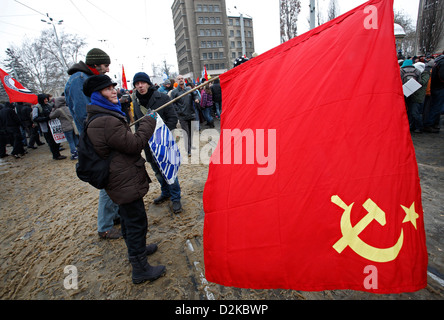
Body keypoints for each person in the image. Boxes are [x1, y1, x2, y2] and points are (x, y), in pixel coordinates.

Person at [83, 74, 166, 284]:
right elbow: (134, 144)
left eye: (113, 87)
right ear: (97, 94)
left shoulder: (102, 116)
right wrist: (149, 121)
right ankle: (140, 269)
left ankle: (137, 251)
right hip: (123, 180)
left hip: (119, 178)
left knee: (129, 221)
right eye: (108, 89)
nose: (114, 91)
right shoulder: (106, 121)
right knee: (136, 222)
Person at [65, 48, 121, 240]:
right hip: (97, 141)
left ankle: (114, 216)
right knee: (108, 180)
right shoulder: (79, 80)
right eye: (105, 66)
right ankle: (105, 226)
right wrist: (102, 139)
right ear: (95, 64)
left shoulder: (83, 77)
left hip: (99, 137)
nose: (106, 70)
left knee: (113, 177)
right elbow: (84, 115)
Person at [132, 72, 183, 214]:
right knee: (157, 172)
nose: (140, 86)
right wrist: (139, 141)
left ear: (148, 83)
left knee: (169, 171)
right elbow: (137, 123)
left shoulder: (163, 98)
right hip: (148, 145)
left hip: (163, 142)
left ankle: (175, 198)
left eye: (142, 83)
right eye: (137, 84)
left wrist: (161, 134)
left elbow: (172, 118)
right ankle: (165, 192)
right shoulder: (136, 102)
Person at [170, 75, 200, 157]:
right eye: (179, 79)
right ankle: (188, 150)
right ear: (177, 81)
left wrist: (196, 99)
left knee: (191, 133)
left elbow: (195, 94)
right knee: (186, 133)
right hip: (182, 116)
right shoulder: (174, 92)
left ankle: (190, 145)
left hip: (191, 114)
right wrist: (179, 111)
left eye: (182, 78)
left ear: (184, 80)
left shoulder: (189, 89)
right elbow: (173, 104)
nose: (181, 80)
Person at [32, 95, 66, 160]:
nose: (46, 100)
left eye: (46, 99)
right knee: (51, 142)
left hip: (54, 126)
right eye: (44, 99)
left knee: (56, 141)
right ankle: (55, 155)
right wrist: (46, 118)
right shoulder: (37, 107)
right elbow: (35, 118)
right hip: (46, 128)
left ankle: (58, 153)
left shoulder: (49, 105)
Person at [424, 51, 444, 133]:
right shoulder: (442, 62)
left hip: (436, 87)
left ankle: (432, 123)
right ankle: (430, 124)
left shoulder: (438, 61)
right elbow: (442, 76)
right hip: (439, 87)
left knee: (435, 106)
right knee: (436, 107)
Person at [409, 62, 432, 133]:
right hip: (414, 95)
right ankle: (413, 126)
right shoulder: (420, 74)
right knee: (412, 112)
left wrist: (413, 81)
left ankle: (419, 127)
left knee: (415, 113)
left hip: (418, 96)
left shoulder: (425, 74)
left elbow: (422, 82)